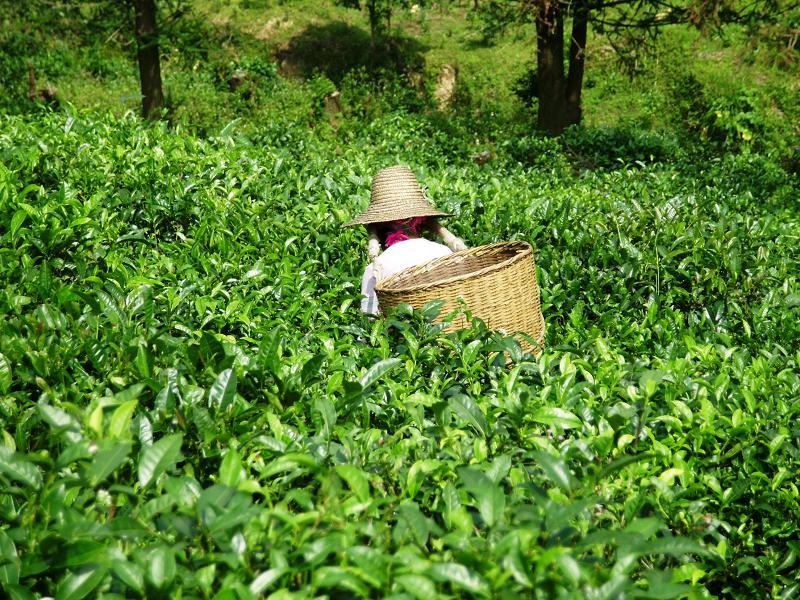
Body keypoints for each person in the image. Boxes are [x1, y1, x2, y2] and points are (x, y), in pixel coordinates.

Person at [343, 165, 467, 315]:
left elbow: (369, 322)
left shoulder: (377, 268)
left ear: (378, 226)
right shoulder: (445, 252)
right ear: (423, 220)